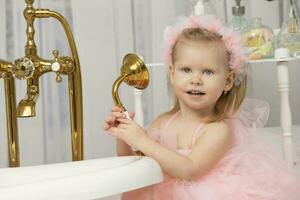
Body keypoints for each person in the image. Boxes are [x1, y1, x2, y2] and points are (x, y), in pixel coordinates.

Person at [103, 15, 300, 200]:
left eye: (208, 71)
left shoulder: (218, 129)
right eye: (186, 69)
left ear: (228, 81)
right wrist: (125, 136)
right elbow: (135, 160)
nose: (196, 80)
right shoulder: (164, 122)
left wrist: (142, 139)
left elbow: (190, 170)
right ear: (172, 74)